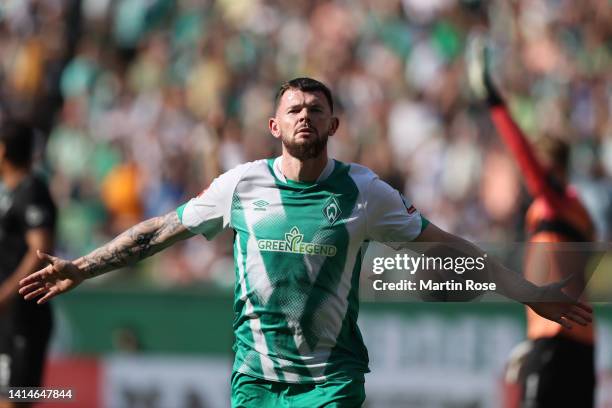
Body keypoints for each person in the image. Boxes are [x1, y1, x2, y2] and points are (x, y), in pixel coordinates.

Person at [19, 78, 591, 407]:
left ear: (333, 126)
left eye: (316, 110)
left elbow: (451, 250)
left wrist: (530, 291)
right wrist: (82, 269)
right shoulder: (240, 186)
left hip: (331, 382)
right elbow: (156, 232)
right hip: (256, 382)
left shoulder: (366, 191)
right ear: (275, 126)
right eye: (294, 109)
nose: (305, 117)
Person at [470, 44, 596, 407]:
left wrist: (494, 101)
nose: (530, 177)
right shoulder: (567, 213)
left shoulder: (561, 204)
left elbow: (526, 159)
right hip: (568, 341)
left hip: (558, 339)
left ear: (553, 168)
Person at [0, 120, 56, 408]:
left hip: (23, 313)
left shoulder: (32, 189)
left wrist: (6, 294)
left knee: (15, 399)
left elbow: (40, 249)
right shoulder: (9, 193)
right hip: (8, 315)